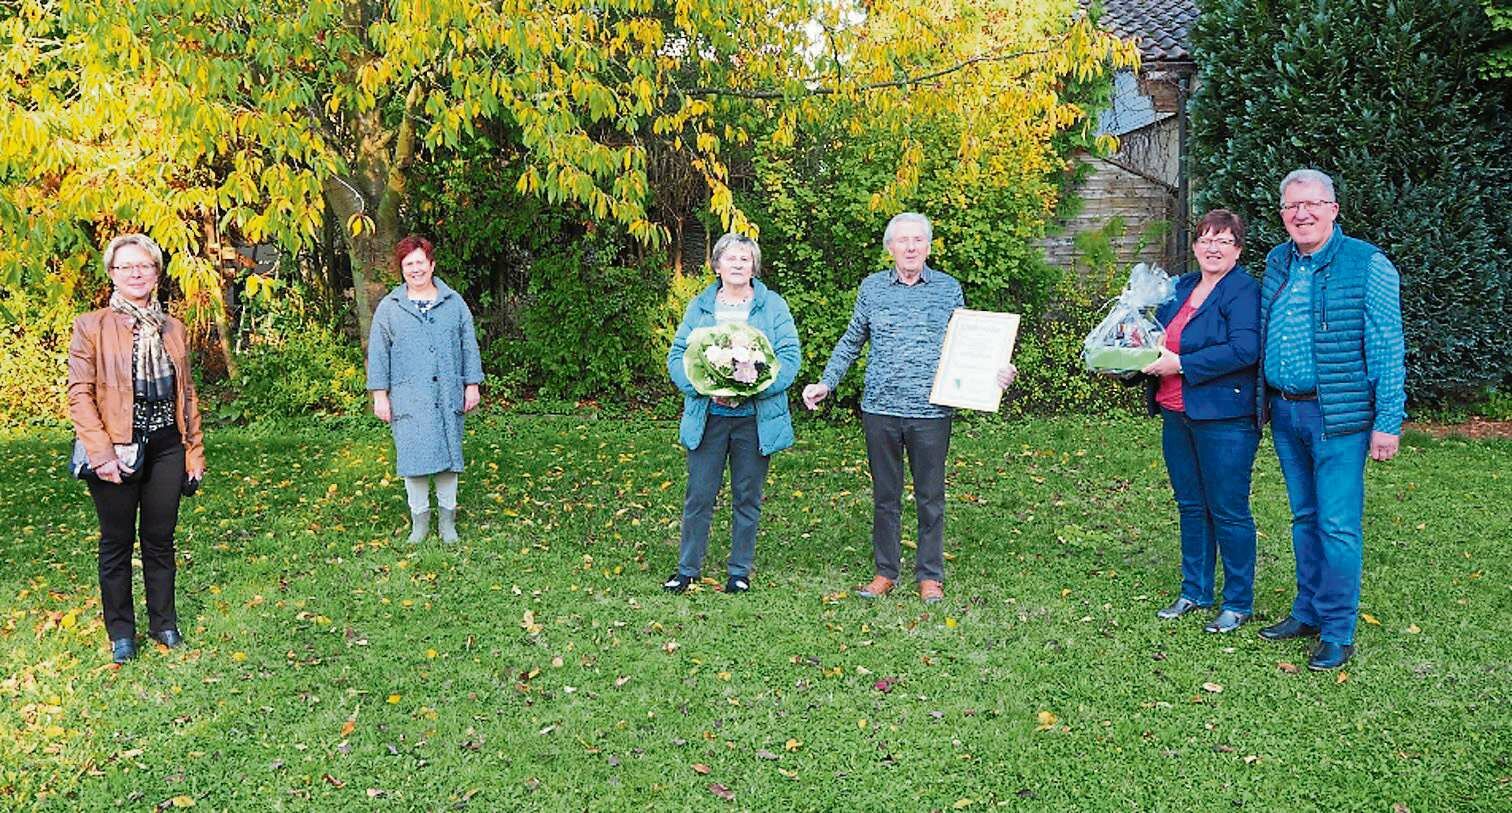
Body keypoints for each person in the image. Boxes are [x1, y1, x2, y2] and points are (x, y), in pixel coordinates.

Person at [801, 213, 1015, 604]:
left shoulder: (948, 289)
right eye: (903, 241)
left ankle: (930, 575)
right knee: (886, 495)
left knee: (930, 496)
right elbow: (852, 341)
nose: (911, 247)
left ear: (929, 247)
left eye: (918, 240)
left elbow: (969, 345)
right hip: (880, 409)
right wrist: (826, 382)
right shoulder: (872, 289)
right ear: (890, 248)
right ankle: (886, 571)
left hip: (932, 413)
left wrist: (995, 373)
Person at [1256, 169, 1406, 671]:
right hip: (1284, 410)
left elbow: (1388, 346)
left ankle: (1338, 630)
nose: (1302, 214)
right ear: (1282, 214)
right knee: (1303, 518)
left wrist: (1388, 420)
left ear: (1333, 209)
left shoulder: (1368, 264)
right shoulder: (1278, 261)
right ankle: (1308, 610)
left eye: (1312, 204)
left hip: (1337, 416)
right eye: (1291, 207)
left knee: (1337, 525)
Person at [68, 234, 205, 664]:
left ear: (156, 272)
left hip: (167, 445)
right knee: (116, 541)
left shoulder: (173, 328)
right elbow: (80, 394)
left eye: (143, 265)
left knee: (160, 540)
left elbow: (187, 395)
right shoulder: (91, 325)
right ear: (112, 273)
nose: (135, 273)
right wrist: (101, 453)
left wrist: (193, 450)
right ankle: (121, 632)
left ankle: (164, 623)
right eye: (125, 266)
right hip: (116, 447)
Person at [1135, 209, 1262, 633]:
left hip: (1225, 418)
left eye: (1224, 240)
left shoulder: (1244, 291)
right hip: (1176, 412)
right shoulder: (1181, 286)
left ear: (1238, 249)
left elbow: (1245, 350)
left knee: (1228, 509)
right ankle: (1195, 590)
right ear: (1194, 246)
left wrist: (1182, 364)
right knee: (1191, 505)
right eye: (1206, 239)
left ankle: (1238, 601)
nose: (1213, 247)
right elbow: (1154, 335)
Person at [664, 233, 801, 594]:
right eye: (731, 258)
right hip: (708, 416)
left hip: (755, 420)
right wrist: (700, 385)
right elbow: (678, 354)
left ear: (754, 266)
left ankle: (739, 571)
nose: (738, 264)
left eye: (745, 258)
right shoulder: (701, 306)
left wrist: (755, 385)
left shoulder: (773, 306)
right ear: (717, 265)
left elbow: (789, 358)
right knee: (699, 495)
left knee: (747, 496)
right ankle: (687, 569)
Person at [367, 236, 484, 544]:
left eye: (420, 262)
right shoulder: (390, 308)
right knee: (414, 460)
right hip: (409, 398)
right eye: (409, 264)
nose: (415, 269)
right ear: (401, 270)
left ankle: (447, 523)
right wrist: (380, 395)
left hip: (447, 394)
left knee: (448, 459)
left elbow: (468, 345)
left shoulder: (453, 302)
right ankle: (419, 522)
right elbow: (378, 354)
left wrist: (472, 384)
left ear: (431, 265)